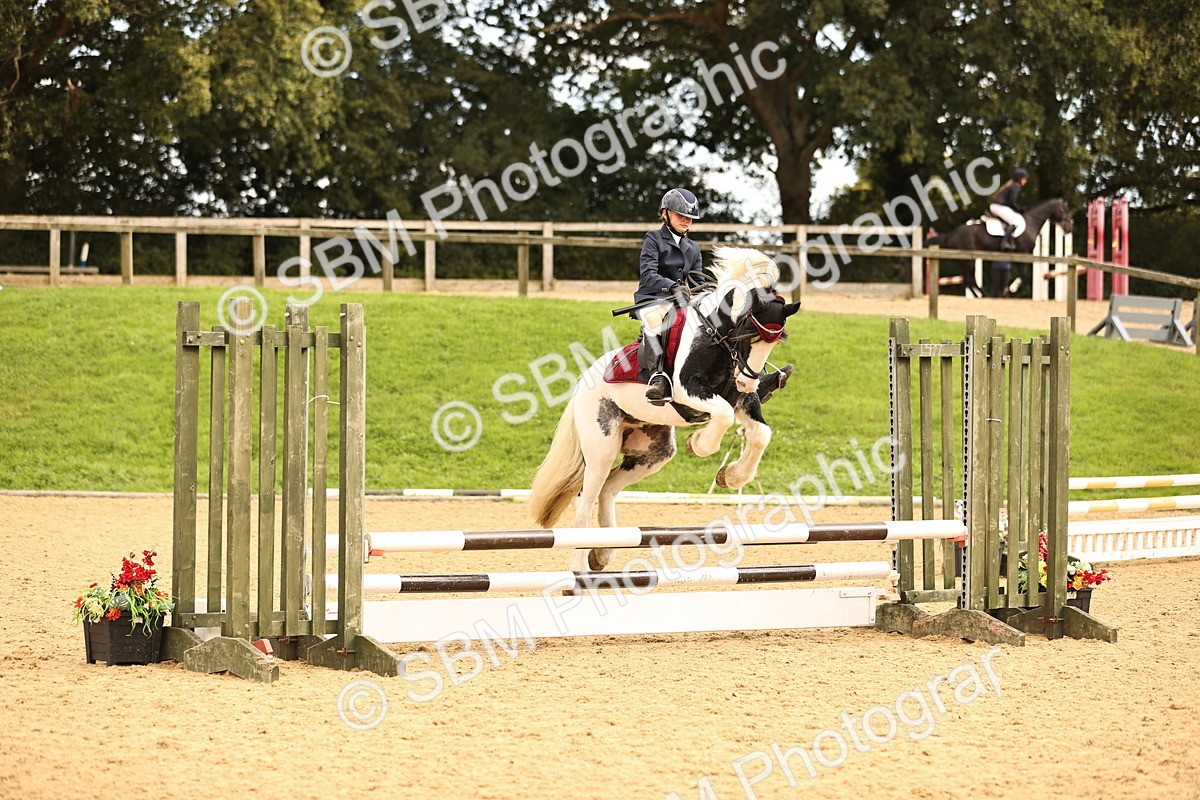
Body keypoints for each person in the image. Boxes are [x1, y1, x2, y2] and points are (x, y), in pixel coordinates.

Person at [635, 188, 706, 403]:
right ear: (665, 213)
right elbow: (648, 274)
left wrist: (708, 291)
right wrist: (672, 286)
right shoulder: (653, 239)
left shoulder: (693, 248)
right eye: (680, 215)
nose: (686, 220)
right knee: (655, 318)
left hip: (680, 300)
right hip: (654, 297)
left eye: (690, 218)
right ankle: (657, 377)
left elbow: (697, 279)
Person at [990, 168, 1028, 251]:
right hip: (999, 207)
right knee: (1015, 222)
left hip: (997, 206)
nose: (1026, 181)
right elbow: (1012, 202)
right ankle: (1004, 243)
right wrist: (1020, 209)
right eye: (1024, 179)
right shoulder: (1016, 186)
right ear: (1020, 178)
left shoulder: (1013, 185)